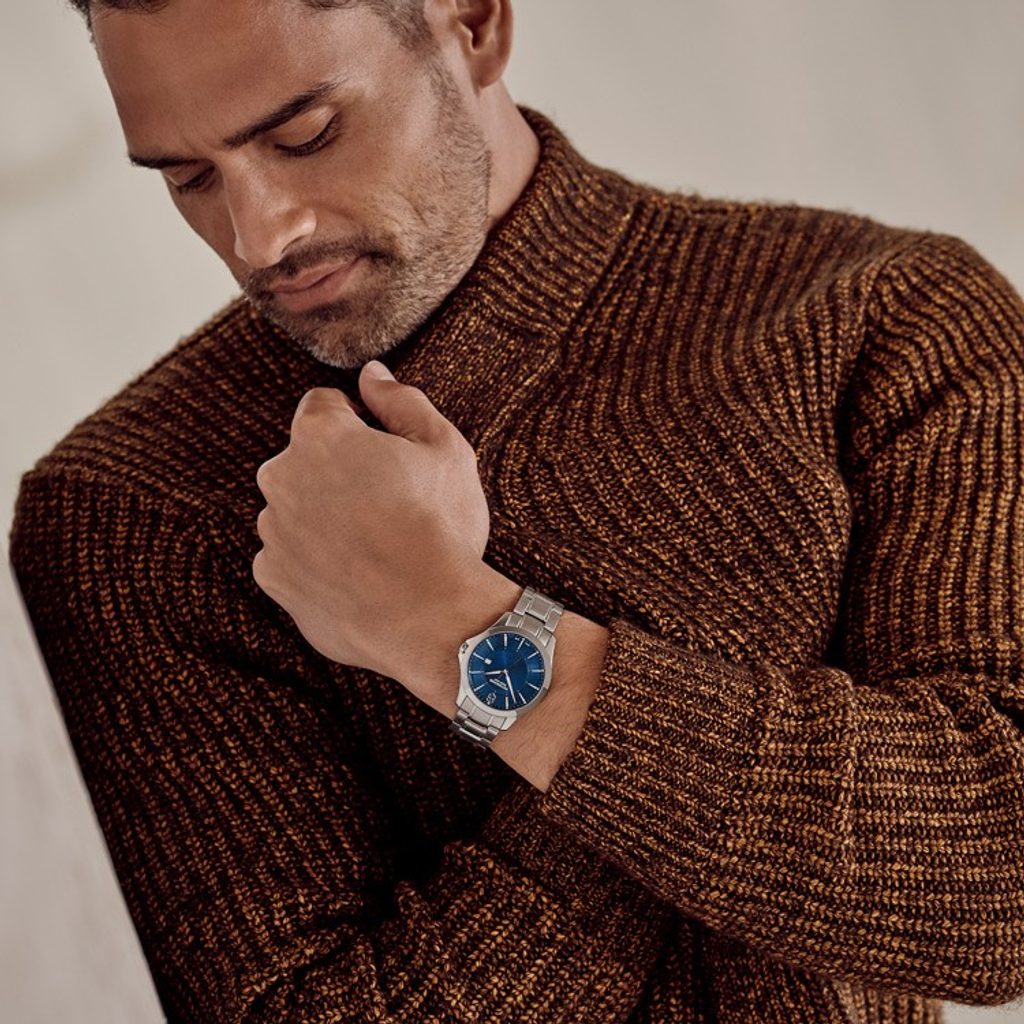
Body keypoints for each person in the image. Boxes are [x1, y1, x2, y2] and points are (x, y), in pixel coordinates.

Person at [8, 1, 1024, 1021]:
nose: (260, 233)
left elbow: (1005, 882)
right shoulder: (131, 513)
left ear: (474, 24)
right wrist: (716, 641)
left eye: (304, 134)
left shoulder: (885, 318)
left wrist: (454, 628)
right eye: (188, 177)